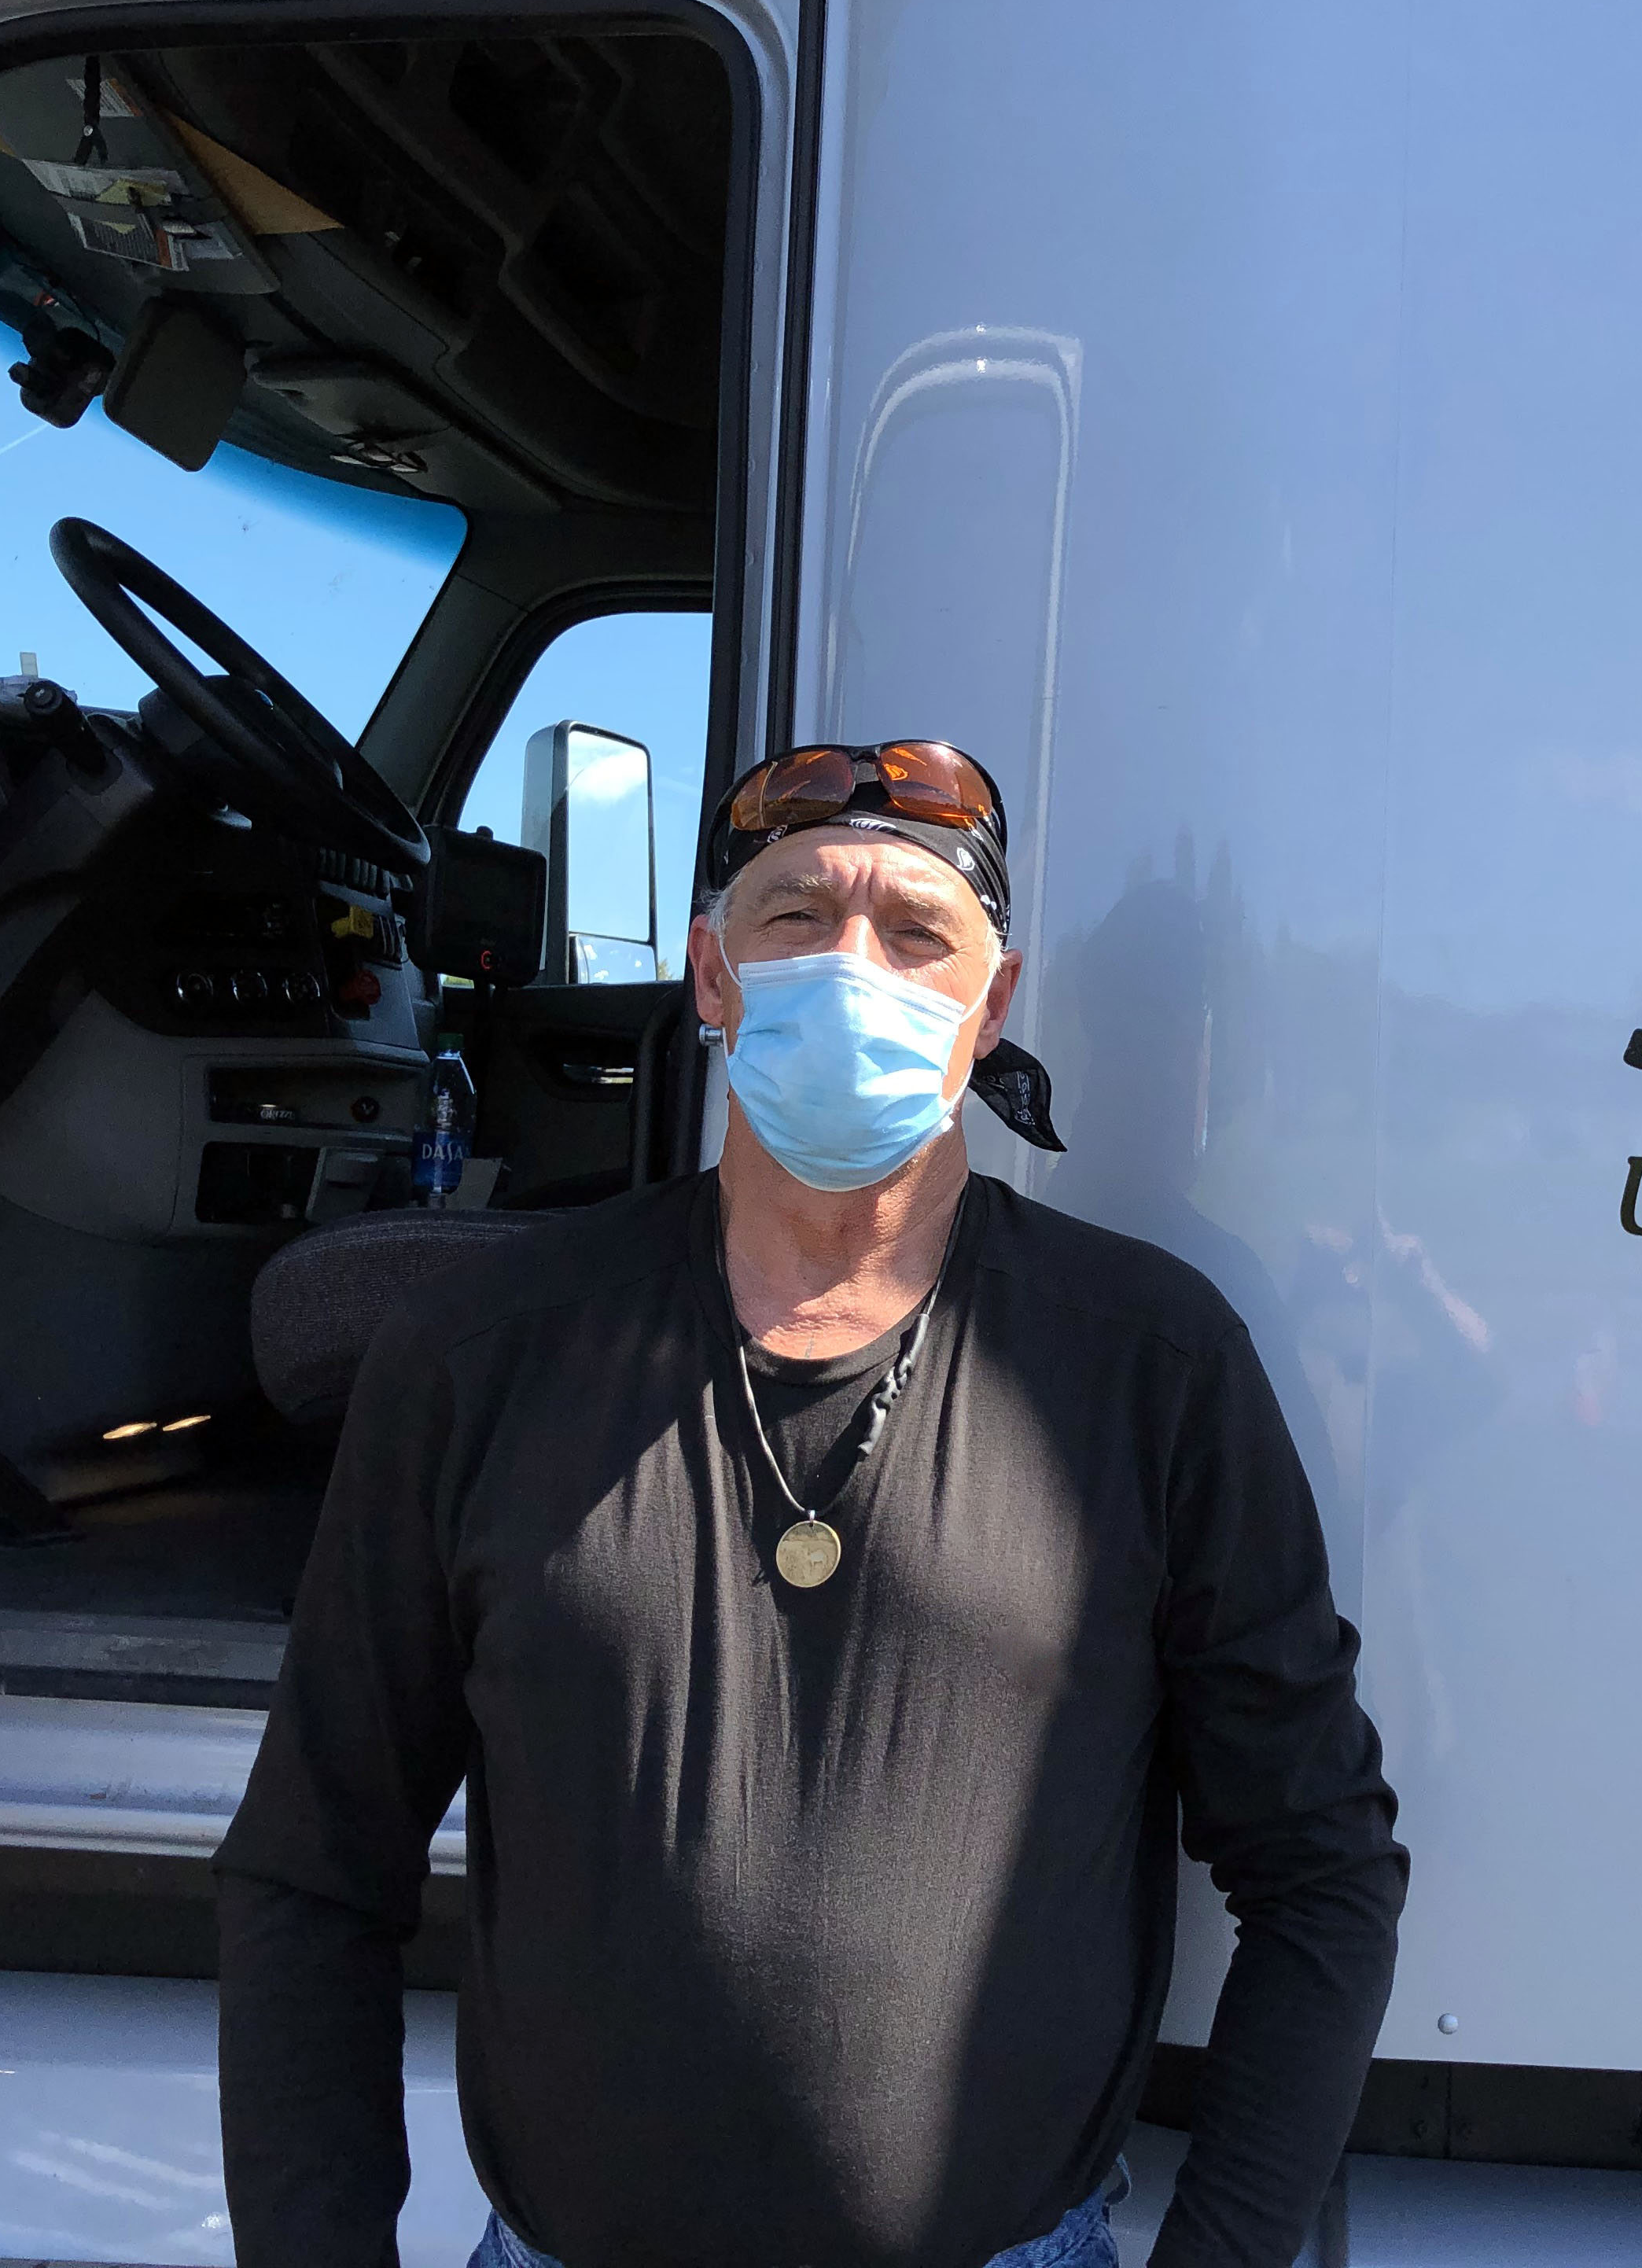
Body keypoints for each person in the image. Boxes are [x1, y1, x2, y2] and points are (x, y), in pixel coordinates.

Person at [215, 738, 1406, 2268]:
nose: (856, 968)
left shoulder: (1150, 1369)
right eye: (795, 919)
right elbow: (316, 1869)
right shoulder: (481, 1355)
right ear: (710, 977)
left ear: (991, 1003)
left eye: (917, 934)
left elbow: (1325, 1877)